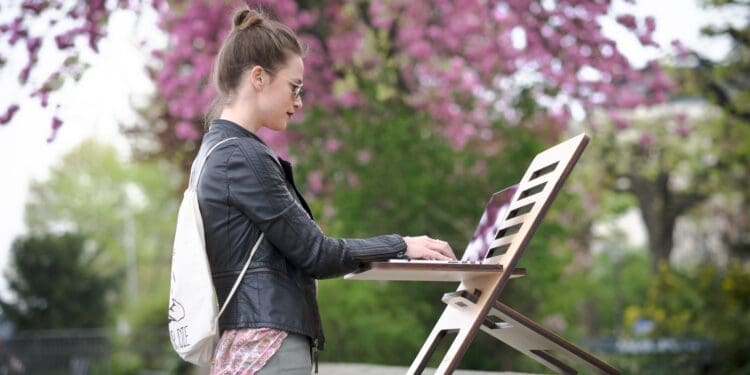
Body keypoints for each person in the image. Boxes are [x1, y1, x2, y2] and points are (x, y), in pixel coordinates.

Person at [194, 7, 456, 375]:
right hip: (269, 349)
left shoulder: (214, 152)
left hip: (249, 346)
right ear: (258, 78)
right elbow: (317, 254)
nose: (299, 102)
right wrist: (403, 245)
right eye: (294, 87)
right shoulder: (242, 157)